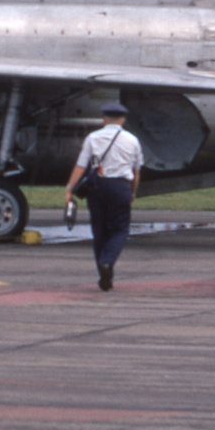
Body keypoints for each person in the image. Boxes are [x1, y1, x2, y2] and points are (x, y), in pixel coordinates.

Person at [64, 102, 144, 292]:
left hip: (97, 186)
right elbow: (136, 171)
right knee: (119, 230)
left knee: (99, 230)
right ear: (123, 120)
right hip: (121, 186)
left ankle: (103, 273)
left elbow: (81, 166)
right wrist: (132, 191)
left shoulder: (93, 138)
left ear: (104, 119)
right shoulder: (132, 140)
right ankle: (107, 263)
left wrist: (69, 188)